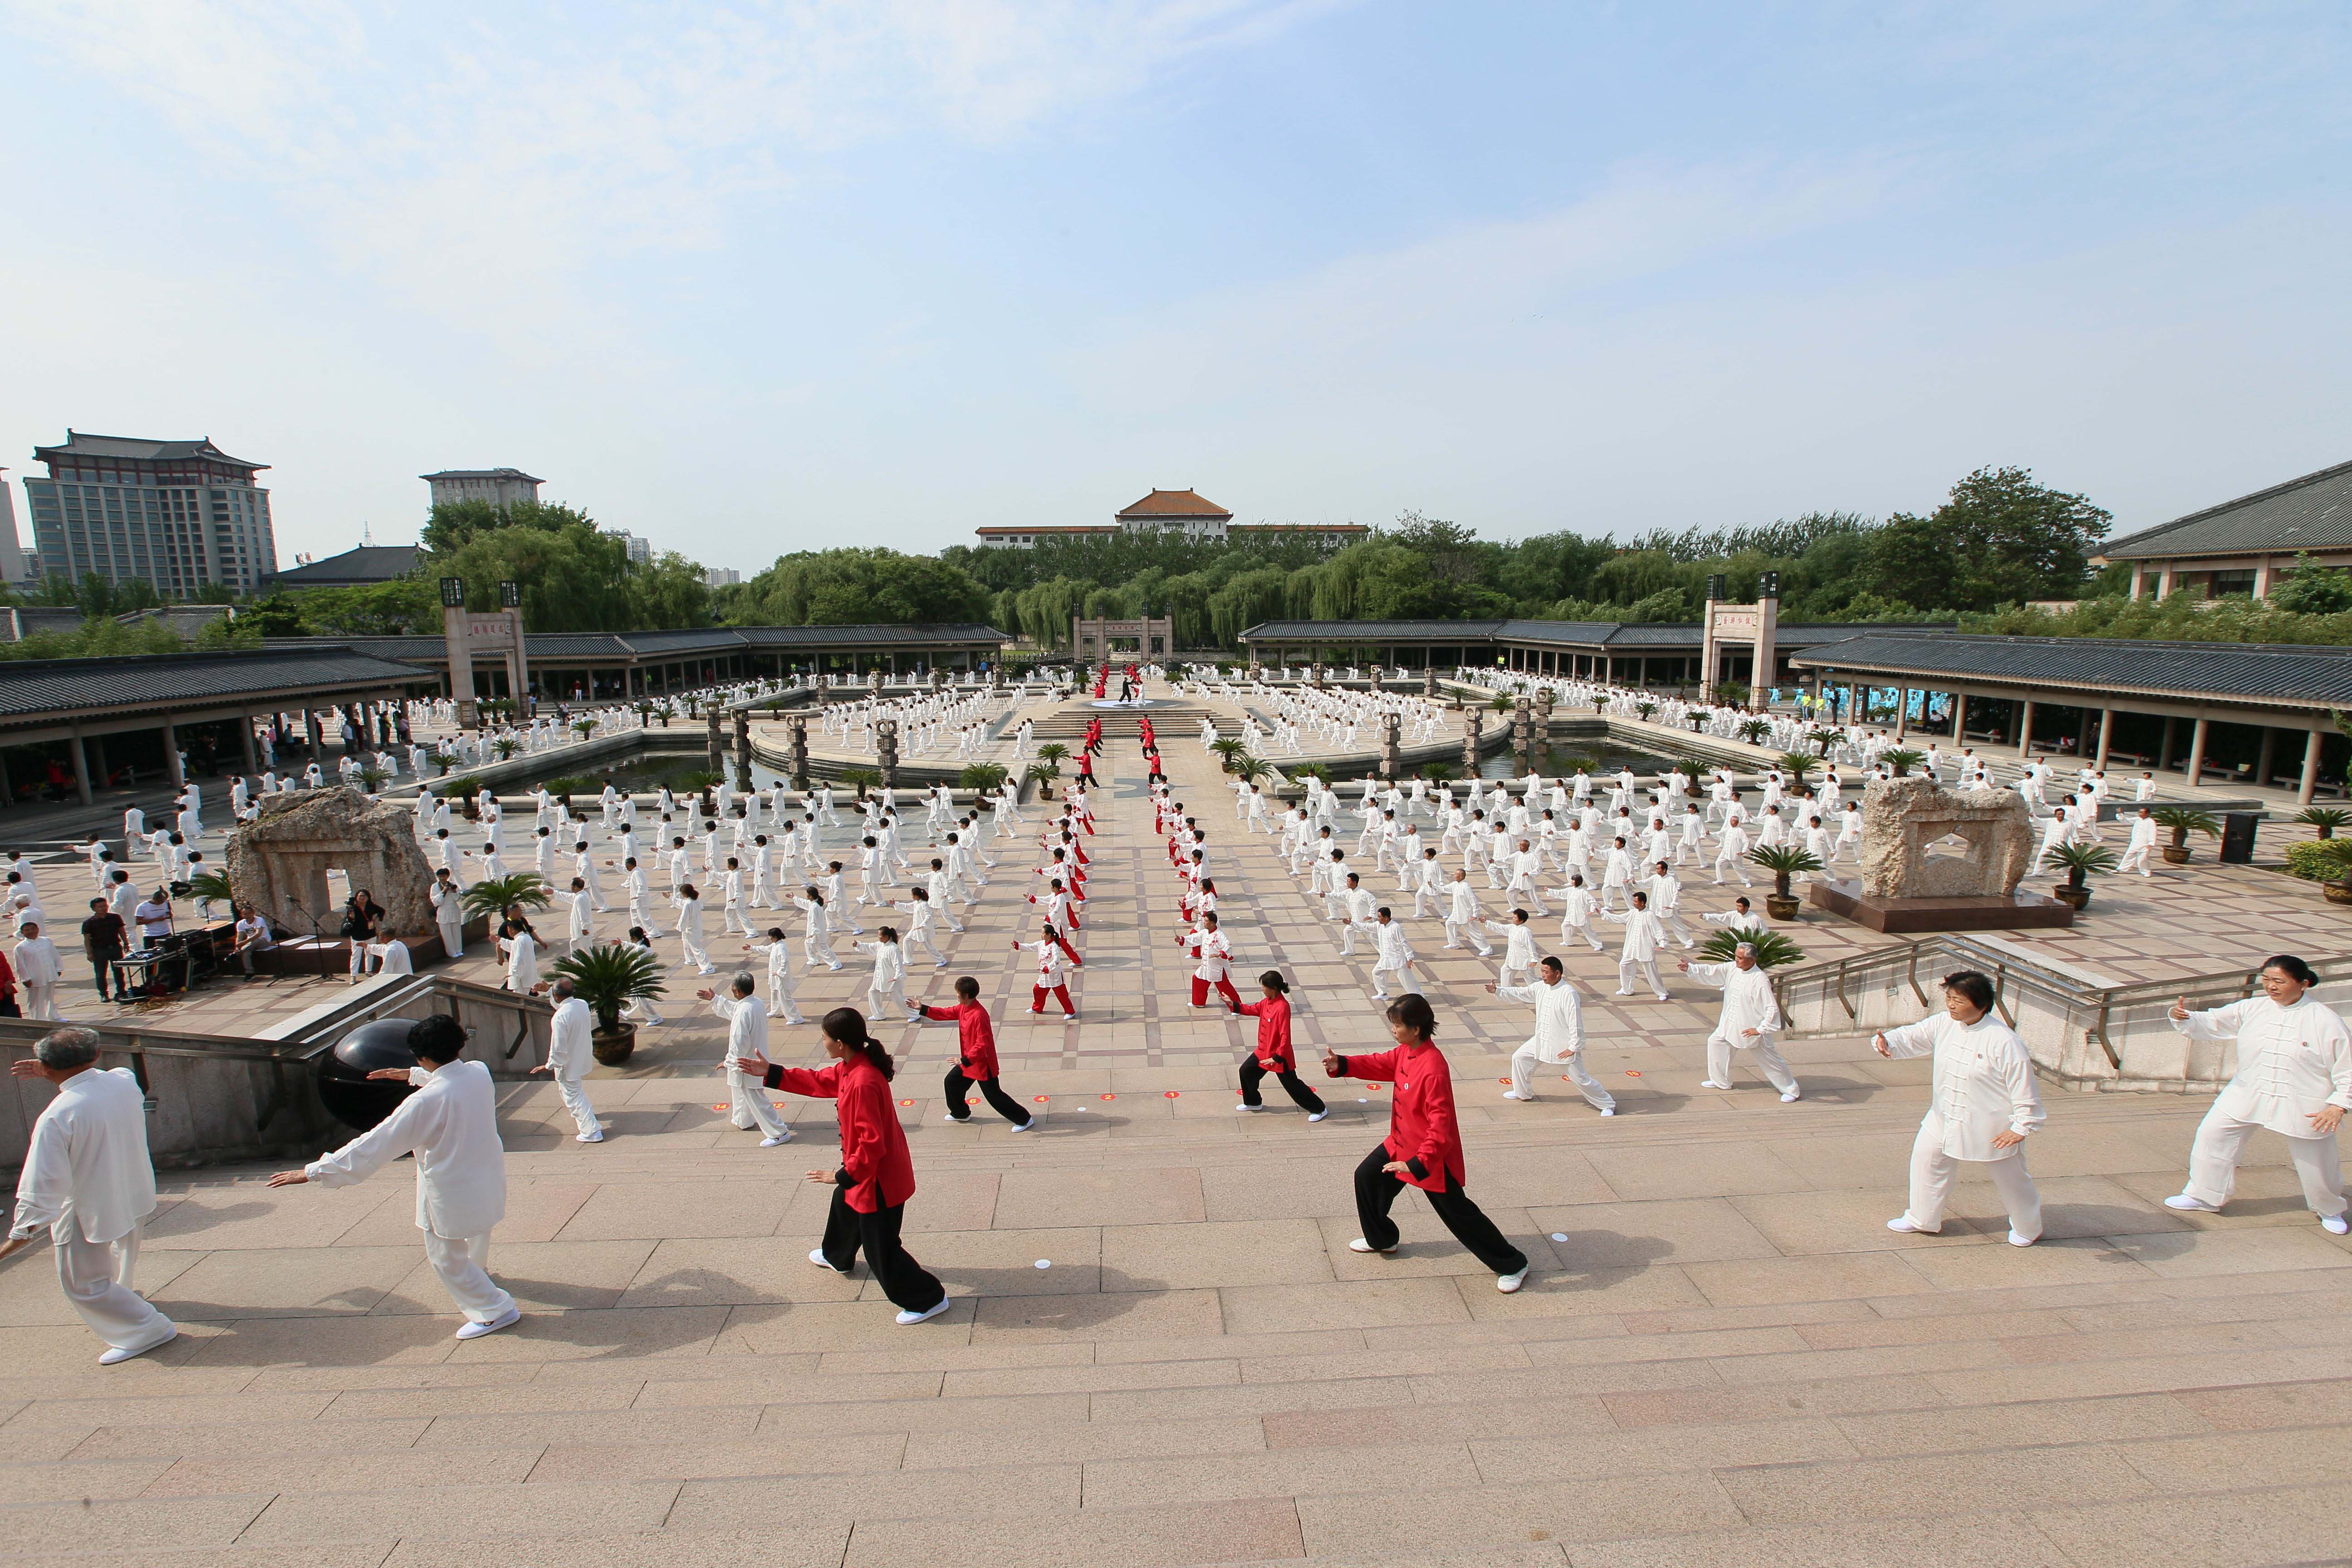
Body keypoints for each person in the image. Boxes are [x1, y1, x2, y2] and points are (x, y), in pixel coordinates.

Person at [267, 1014, 520, 1340]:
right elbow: (451, 1083)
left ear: (423, 1056)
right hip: (485, 1176)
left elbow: (376, 1143)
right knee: (476, 1233)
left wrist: (313, 1171)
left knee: (446, 1258)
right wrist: (414, 1075)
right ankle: (481, 1277)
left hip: (449, 1187)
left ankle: (495, 1310)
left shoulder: (423, 1103)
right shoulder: (479, 1072)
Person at [736, 1008, 950, 1326]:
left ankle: (928, 1298)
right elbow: (818, 1080)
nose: (821, 1042)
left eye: (823, 1037)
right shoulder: (853, 1066)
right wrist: (772, 1072)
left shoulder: (863, 1081)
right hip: (873, 1170)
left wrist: (841, 1176)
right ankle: (838, 1256)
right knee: (844, 1204)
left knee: (882, 1249)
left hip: (879, 1179)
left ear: (839, 1043)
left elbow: (872, 1144)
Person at [1321, 995, 1530, 1292]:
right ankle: (1382, 1239)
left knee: (1460, 1216)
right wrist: (1342, 1063)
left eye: (1397, 1025)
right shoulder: (1406, 1052)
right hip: (1399, 1142)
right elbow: (1379, 1063)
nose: (1393, 1030)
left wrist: (1416, 1164)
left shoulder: (1433, 1068)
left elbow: (1441, 1129)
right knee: (1366, 1177)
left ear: (1416, 1029)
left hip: (1429, 1157)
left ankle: (1513, 1264)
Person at [0, 1028, 176, 1363]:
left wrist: (19, 1235)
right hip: (132, 1188)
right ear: (95, 1056)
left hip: (87, 1203)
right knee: (115, 1258)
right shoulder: (124, 1082)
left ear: (46, 1066)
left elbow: (42, 1183)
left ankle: (145, 1328)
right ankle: (126, 1302)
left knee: (82, 1282)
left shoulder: (58, 1115)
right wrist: (51, 1070)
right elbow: (115, 1073)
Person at [2163, 955, 2350, 1233]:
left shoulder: (2325, 1020)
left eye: (2279, 981)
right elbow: (2214, 1021)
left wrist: (2338, 1105)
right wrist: (2184, 1016)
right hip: (2248, 1089)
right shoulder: (2253, 1007)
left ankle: (2330, 1208)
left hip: (2305, 1098)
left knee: (2316, 1160)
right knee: (2213, 1135)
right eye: (2266, 980)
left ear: (2303, 984)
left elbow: (2347, 1067)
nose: (2271, 987)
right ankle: (2205, 1195)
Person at [1872, 970, 2044, 1245]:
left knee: (2012, 1180)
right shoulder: (1944, 1023)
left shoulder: (2005, 1041)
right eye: (1950, 998)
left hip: (1992, 1125)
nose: (1952, 1005)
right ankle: (1922, 1218)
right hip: (1943, 1116)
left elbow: (2024, 1087)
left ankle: (2028, 1227)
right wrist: (1888, 1041)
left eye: (1960, 1001)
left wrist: (2021, 1126)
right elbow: (1912, 1036)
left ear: (1982, 1005)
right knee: (1926, 1162)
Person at [1490, 956, 1613, 1114]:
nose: (1542, 975)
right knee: (1519, 1058)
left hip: (1563, 1045)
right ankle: (1523, 1093)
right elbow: (1522, 992)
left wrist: (1573, 1047)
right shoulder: (1541, 987)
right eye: (1541, 971)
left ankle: (1607, 1104)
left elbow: (1575, 1022)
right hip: (1542, 1039)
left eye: (1546, 972)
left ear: (1558, 974)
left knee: (1580, 1079)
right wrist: (1499, 990)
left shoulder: (1568, 993)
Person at [912, 975, 1034, 1129]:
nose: (956, 996)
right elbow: (946, 1013)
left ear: (966, 996)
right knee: (952, 1083)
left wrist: (963, 1061)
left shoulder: (979, 1015)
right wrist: (923, 1009)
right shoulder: (964, 1007)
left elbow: (982, 1045)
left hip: (982, 1064)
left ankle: (1024, 1119)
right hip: (969, 1061)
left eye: (958, 993)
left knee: (994, 1096)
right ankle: (961, 1113)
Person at [1681, 942, 1799, 1101]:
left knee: (1770, 1060)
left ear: (1752, 960)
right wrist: (1691, 969)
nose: (1737, 960)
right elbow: (1712, 972)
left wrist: (1760, 1029)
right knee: (1716, 1042)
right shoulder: (1732, 968)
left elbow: (1772, 1008)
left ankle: (1791, 1091)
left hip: (1752, 1027)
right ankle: (1720, 1082)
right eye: (1736, 956)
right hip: (1730, 1023)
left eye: (1741, 958)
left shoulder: (1760, 979)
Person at [699, 972, 794, 1146]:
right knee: (742, 1091)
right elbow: (734, 1009)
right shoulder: (755, 1003)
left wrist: (729, 1062)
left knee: (755, 1096)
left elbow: (739, 1041)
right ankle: (743, 1120)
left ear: (736, 991)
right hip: (753, 1058)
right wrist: (715, 999)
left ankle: (779, 1132)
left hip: (746, 1062)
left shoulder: (744, 1011)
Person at [1229, 971, 1328, 1119]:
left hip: (1279, 1056)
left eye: (1264, 986)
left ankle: (1319, 1108)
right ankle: (1253, 1102)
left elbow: (1285, 1036)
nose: (1262, 989)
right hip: (1263, 1051)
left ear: (1273, 988)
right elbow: (1252, 1009)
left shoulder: (1283, 1007)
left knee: (1292, 1085)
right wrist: (1233, 1005)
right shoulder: (1266, 1001)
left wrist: (1277, 1057)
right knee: (1246, 1072)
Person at [529, 975, 605, 1143]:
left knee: (574, 1095)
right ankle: (583, 1114)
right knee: (571, 1093)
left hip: (567, 1064)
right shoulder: (582, 1005)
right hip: (581, 1058)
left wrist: (548, 1066)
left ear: (556, 995)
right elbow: (564, 1006)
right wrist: (549, 991)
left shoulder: (559, 1018)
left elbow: (558, 1048)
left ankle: (592, 1131)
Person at [80, 897, 127, 1004]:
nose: (103, 908)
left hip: (115, 948)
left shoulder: (115, 918)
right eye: (100, 907)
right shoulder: (89, 923)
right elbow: (87, 939)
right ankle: (104, 994)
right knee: (101, 974)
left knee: (119, 972)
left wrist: (126, 943)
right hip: (99, 950)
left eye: (105, 906)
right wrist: (89, 953)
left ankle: (121, 992)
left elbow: (121, 931)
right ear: (94, 909)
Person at [15, 920, 62, 1022]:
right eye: (27, 930)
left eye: (33, 929)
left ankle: (53, 1016)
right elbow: (20, 965)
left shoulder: (47, 941)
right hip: (35, 976)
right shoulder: (21, 947)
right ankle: (38, 1019)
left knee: (50, 996)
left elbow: (55, 955)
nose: (31, 932)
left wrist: (58, 968)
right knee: (36, 1000)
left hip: (49, 972)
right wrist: (25, 978)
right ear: (22, 933)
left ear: (38, 930)